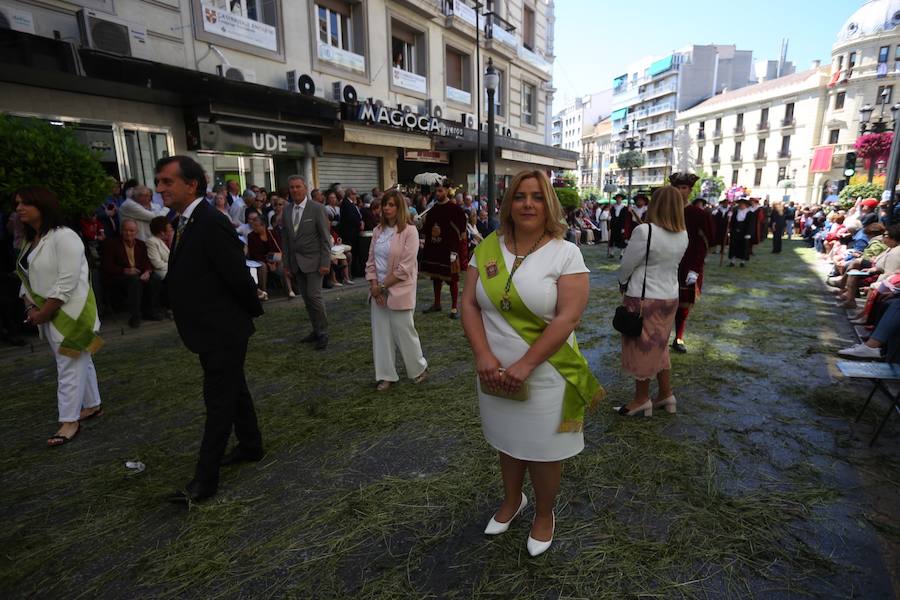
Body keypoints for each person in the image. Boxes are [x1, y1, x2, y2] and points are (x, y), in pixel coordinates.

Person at [461, 170, 604, 557]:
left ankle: (544, 514)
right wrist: (483, 355)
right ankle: (512, 502)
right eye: (520, 196)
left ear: (549, 205)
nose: (528, 204)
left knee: (542, 450)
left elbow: (567, 318)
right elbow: (469, 304)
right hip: (493, 371)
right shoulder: (487, 247)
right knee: (507, 442)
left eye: (537, 197)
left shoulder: (566, 252)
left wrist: (525, 364)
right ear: (509, 203)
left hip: (547, 373)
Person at [155, 155, 264, 503]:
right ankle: (251, 445)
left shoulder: (209, 221)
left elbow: (236, 273)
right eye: (159, 181)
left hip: (223, 330)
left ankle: (205, 480)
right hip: (208, 328)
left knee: (218, 402)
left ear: (192, 184)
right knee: (235, 389)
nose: (160, 188)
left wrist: (251, 311)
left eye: (167, 182)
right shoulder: (186, 221)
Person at [15, 187, 103, 446]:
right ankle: (93, 404)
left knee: (68, 364)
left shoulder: (65, 237)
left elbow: (67, 282)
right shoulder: (31, 240)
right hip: (49, 314)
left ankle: (69, 421)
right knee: (81, 361)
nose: (19, 208)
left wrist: (43, 311)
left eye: (25, 203)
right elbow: (26, 279)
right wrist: (30, 307)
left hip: (73, 315)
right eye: (17, 203)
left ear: (42, 206)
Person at [615, 186, 688, 417]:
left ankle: (641, 399)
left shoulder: (645, 231)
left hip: (644, 297)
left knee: (642, 348)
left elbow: (627, 265)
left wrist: (622, 281)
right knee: (659, 346)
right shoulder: (683, 234)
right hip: (669, 295)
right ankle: (666, 394)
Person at [366, 190, 428, 391]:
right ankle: (386, 375)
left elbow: (405, 268)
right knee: (381, 334)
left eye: (391, 204)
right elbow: (370, 262)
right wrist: (374, 286)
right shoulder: (377, 231)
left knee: (405, 331)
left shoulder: (410, 231)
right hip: (378, 290)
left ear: (399, 208)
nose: (386, 208)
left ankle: (418, 368)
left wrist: (383, 287)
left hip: (399, 289)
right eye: (385, 204)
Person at [282, 175, 332, 350]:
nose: (294, 190)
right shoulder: (287, 210)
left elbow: (326, 238)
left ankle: (323, 333)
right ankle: (316, 330)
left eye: (298, 187)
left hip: (315, 262)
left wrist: (326, 262)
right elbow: (286, 240)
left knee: (314, 297)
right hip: (296, 263)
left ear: (305, 188)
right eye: (292, 187)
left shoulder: (317, 209)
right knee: (307, 299)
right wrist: (286, 264)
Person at [668, 173, 712, 354]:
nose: (680, 191)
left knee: (683, 302)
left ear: (690, 190)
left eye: (684, 188)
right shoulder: (664, 211)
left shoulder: (697, 213)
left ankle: (678, 336)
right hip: (664, 262)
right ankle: (660, 335)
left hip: (687, 263)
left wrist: (695, 268)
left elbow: (702, 243)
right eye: (677, 187)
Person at [101, 219, 162, 327]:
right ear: (121, 231)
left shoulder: (141, 244)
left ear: (136, 232)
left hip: (136, 274)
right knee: (134, 280)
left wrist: (147, 272)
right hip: (118, 276)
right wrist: (125, 270)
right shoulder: (112, 244)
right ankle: (135, 315)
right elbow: (107, 266)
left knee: (154, 278)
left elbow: (146, 261)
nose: (128, 233)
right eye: (125, 230)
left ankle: (149, 311)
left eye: (131, 231)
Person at [421, 181, 468, 319]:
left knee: (453, 278)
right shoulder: (433, 209)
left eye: (440, 191)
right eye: (436, 191)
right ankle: (437, 303)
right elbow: (427, 229)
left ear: (447, 191)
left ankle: (454, 308)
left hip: (450, 249)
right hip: (435, 248)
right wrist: (419, 223)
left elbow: (461, 231)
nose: (438, 193)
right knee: (436, 276)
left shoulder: (455, 209)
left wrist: (455, 250)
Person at [728, 197, 753, 266]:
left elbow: (751, 224)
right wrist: (730, 227)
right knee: (734, 245)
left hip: (744, 231)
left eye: (742, 204)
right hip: (735, 231)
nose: (740, 205)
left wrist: (748, 233)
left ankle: (743, 261)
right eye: (740, 204)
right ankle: (732, 261)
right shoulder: (736, 212)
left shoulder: (749, 213)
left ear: (746, 205)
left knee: (744, 246)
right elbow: (732, 222)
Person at [145, 216, 172, 282]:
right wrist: (174, 266)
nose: (171, 229)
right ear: (162, 232)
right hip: (162, 271)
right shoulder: (152, 241)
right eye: (170, 228)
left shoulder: (170, 239)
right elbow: (157, 263)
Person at [608, 193, 628, 258]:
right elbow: (611, 215)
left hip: (621, 224)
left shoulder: (624, 208)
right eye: (617, 198)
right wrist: (609, 218)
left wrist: (623, 227)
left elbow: (625, 218)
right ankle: (611, 253)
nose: (618, 199)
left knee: (621, 239)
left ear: (621, 199)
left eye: (619, 198)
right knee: (612, 239)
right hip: (614, 224)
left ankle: (622, 253)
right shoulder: (613, 207)